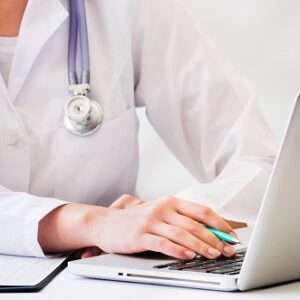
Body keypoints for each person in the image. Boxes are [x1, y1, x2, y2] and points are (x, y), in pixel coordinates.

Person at [0, 0, 276, 260]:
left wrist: (163, 223)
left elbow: (261, 163)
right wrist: (93, 224)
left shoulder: (128, 7)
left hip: (105, 281)